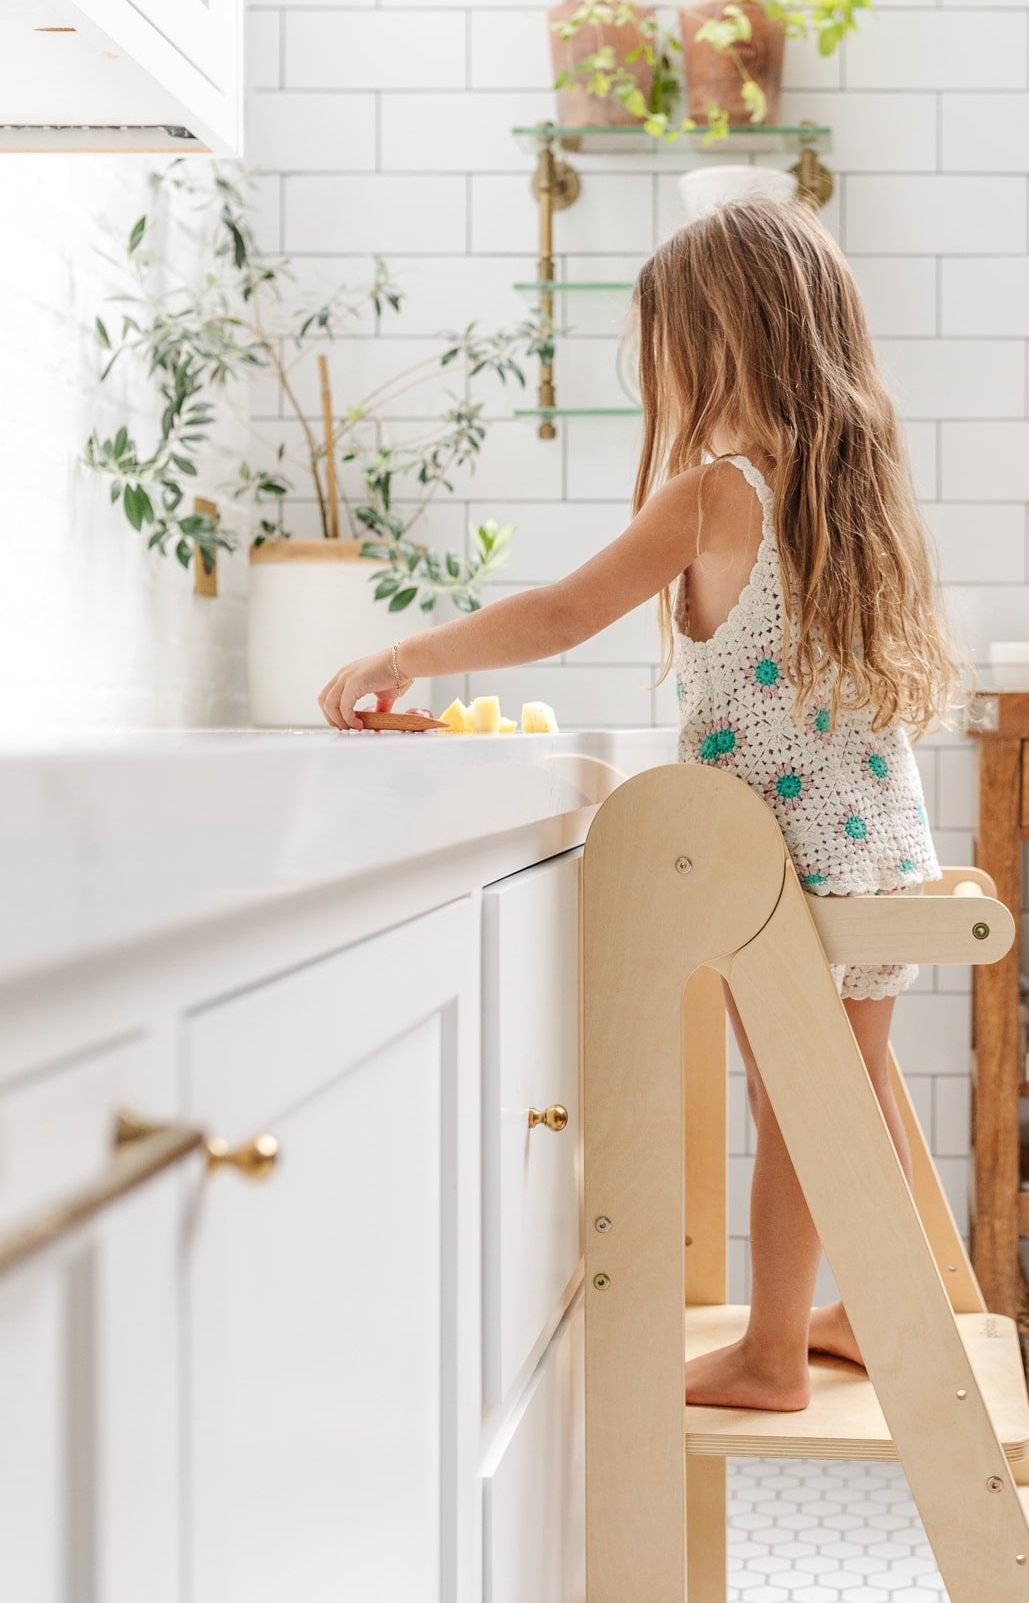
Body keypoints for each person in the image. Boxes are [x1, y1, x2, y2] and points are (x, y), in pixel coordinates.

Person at [318, 199, 962, 1413]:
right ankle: (874, 1307)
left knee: (792, 1110)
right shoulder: (850, 481)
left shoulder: (717, 493)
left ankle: (773, 1352)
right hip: (877, 846)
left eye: (666, 340)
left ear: (719, 342)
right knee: (851, 1094)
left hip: (780, 871)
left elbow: (561, 613)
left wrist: (408, 653)